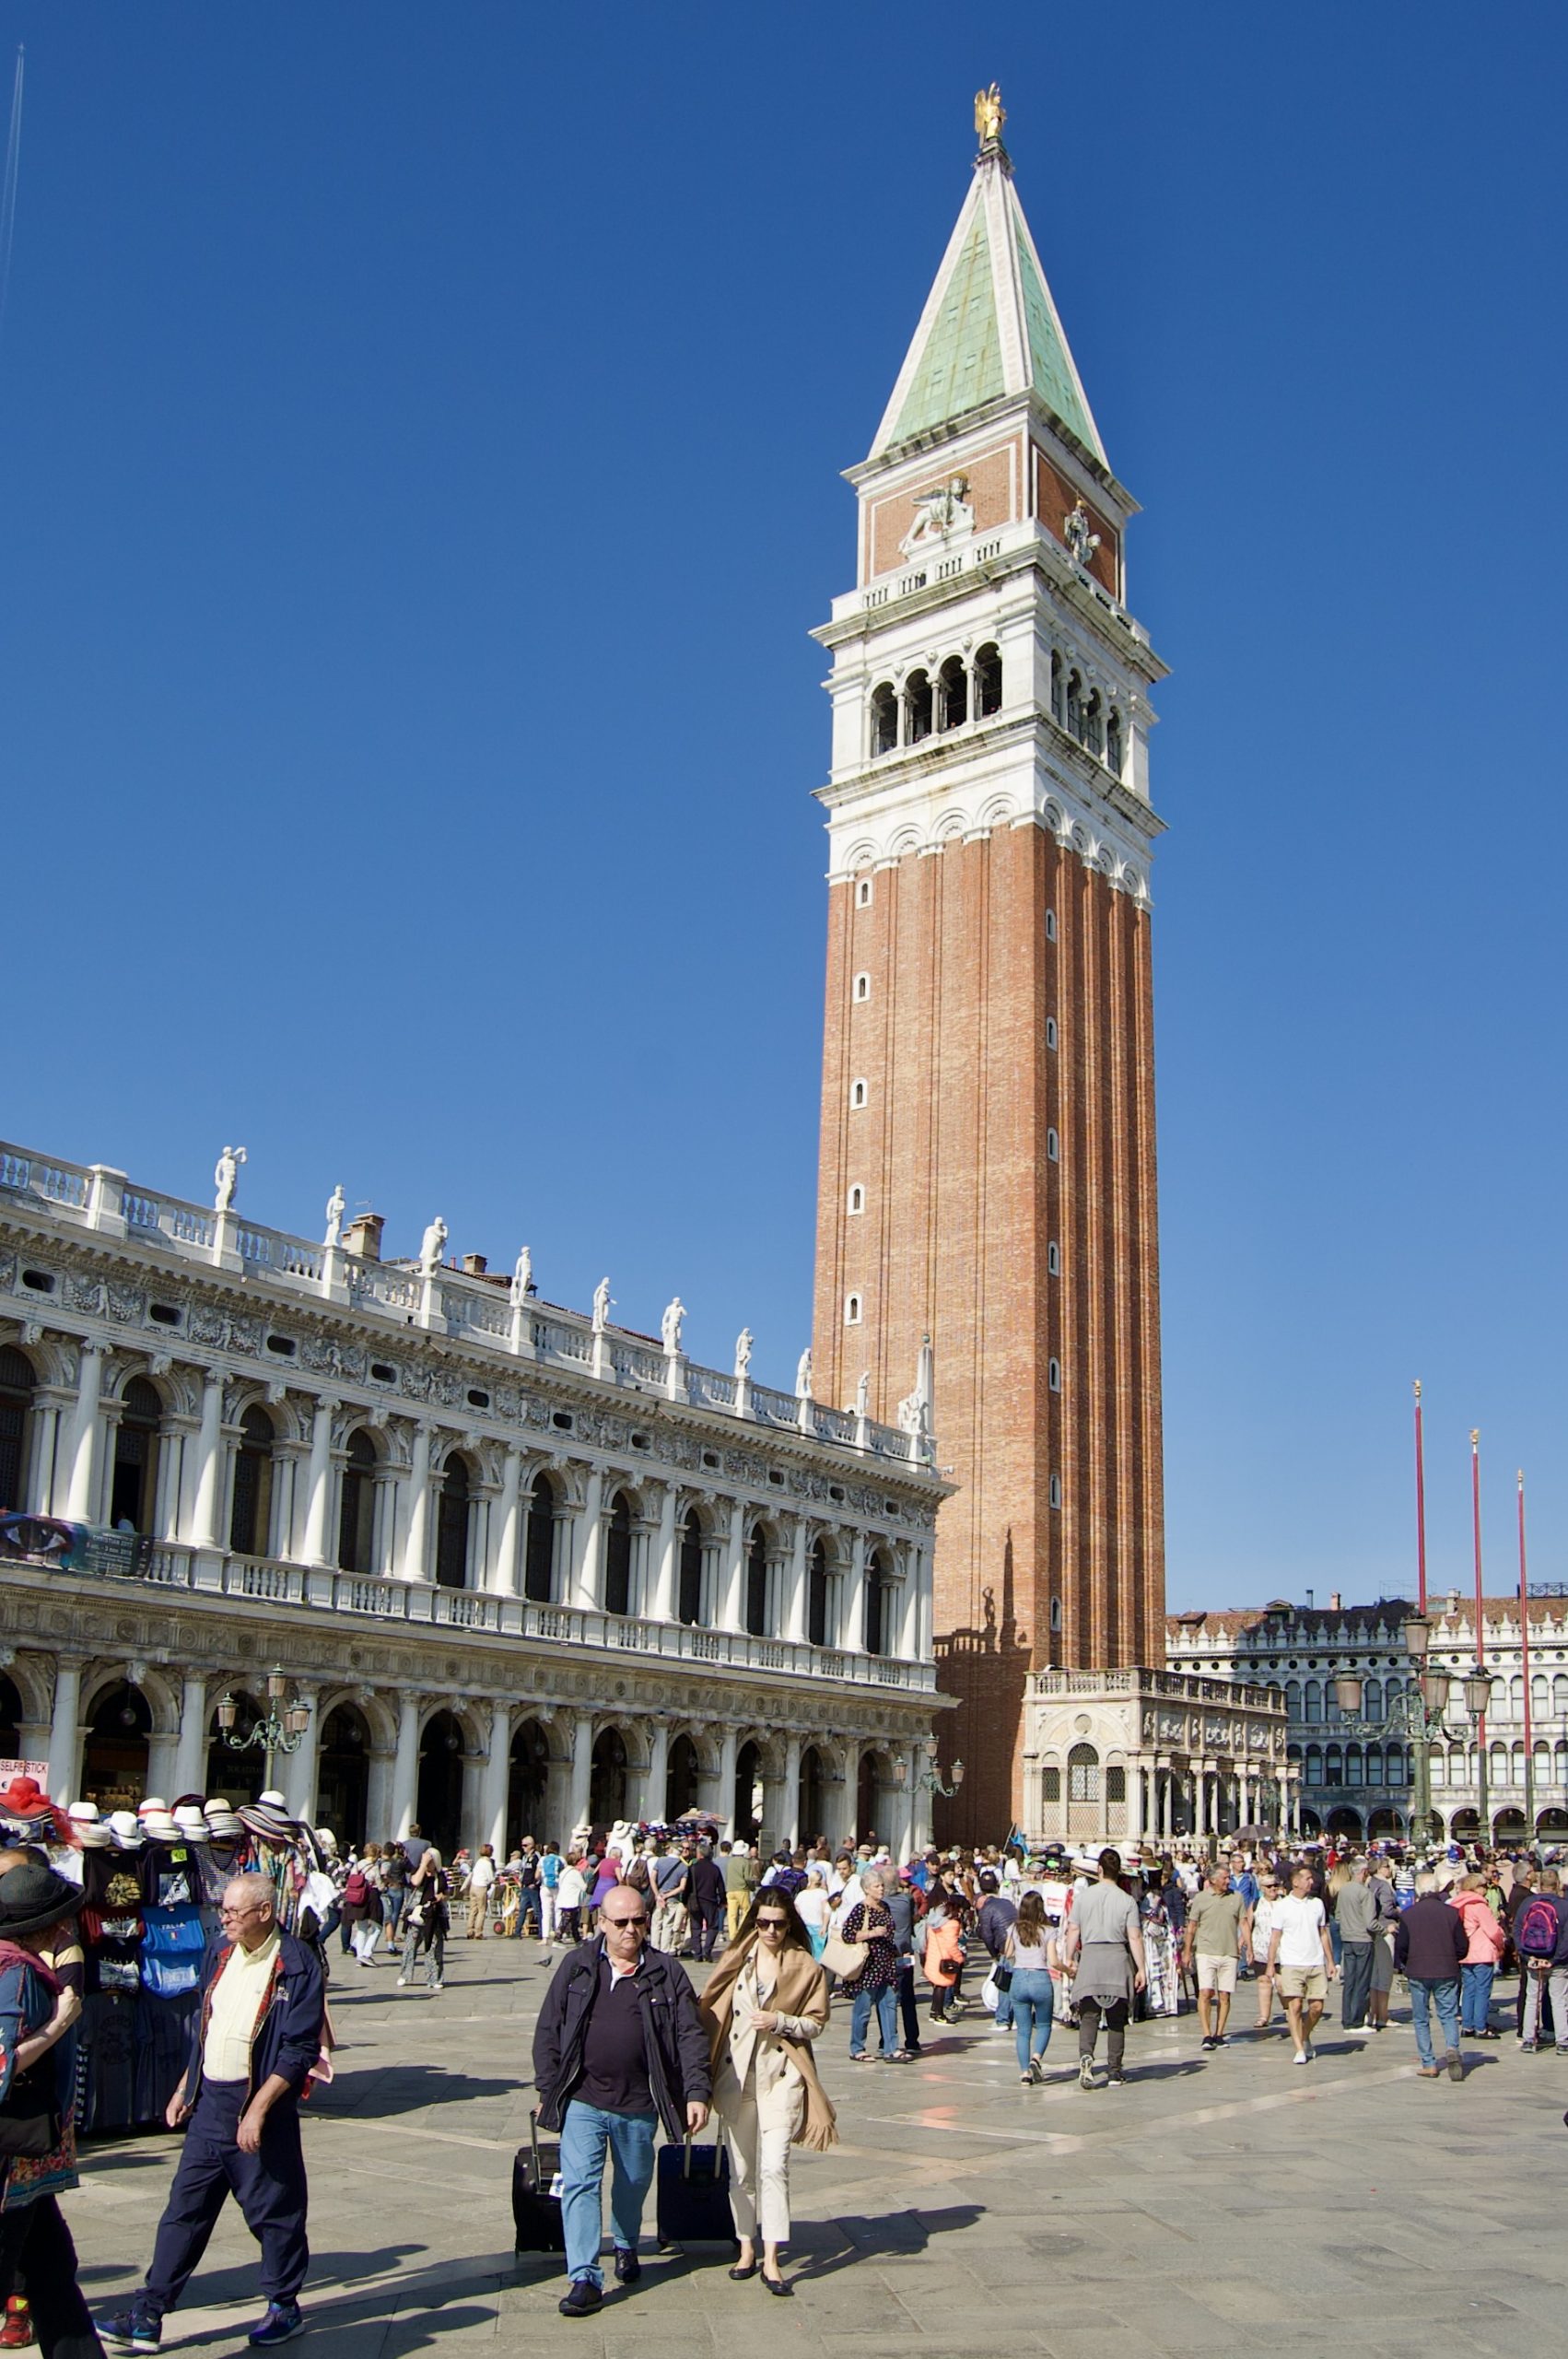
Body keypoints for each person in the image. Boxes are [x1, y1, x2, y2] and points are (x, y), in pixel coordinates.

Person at [101, 1873, 325, 2353]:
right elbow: (208, 2027)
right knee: (183, 2211)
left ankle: (283, 2305)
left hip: (257, 2106)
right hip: (209, 2106)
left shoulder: (296, 1963)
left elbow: (299, 2049)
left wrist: (259, 2110)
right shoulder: (218, 1953)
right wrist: (186, 2085)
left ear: (264, 1912)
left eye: (234, 1912)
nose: (224, 1918)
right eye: (223, 1910)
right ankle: (149, 2312)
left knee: (274, 2212)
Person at [532, 1884, 711, 2318]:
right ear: (602, 1924)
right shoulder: (576, 1966)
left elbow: (690, 2034)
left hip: (640, 2101)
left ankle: (627, 2243)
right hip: (584, 2097)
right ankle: (584, 2278)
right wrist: (547, 2087)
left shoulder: (666, 1971)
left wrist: (696, 2091)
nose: (631, 1930)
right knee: (579, 2184)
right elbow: (549, 2028)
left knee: (632, 2184)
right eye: (622, 1922)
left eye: (639, 1920)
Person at [700, 1888, 837, 2295]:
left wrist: (780, 2020)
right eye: (763, 1923)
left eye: (779, 1923)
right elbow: (709, 2007)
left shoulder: (804, 1965)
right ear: (753, 1922)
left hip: (781, 2076)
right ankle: (746, 2246)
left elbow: (816, 2022)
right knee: (741, 2171)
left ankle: (773, 2257)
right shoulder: (737, 1959)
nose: (771, 1931)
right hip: (736, 2074)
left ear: (789, 1923)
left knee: (775, 2166)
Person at [0, 1865, 101, 2359]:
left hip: (28, 2162)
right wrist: (60, 2023)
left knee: (51, 2269)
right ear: (47, 1926)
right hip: (11, 2159)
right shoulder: (16, 1973)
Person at [1060, 1849, 1146, 2090]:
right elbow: (1135, 1936)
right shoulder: (1127, 1900)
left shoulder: (1083, 1898)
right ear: (1118, 1872)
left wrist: (1069, 1958)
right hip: (1117, 1957)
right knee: (1117, 2020)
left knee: (1089, 2015)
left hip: (1091, 1957)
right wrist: (1141, 1969)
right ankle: (1115, 2071)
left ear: (1098, 1870)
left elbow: (1073, 1930)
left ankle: (1086, 2057)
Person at [1393, 1869, 1467, 2080]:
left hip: (1418, 1970)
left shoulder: (1408, 1914)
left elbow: (1402, 1947)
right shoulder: (1451, 1913)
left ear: (1418, 1890)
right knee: (1448, 2014)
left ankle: (1429, 2063)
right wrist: (1452, 1957)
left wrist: (1408, 1963)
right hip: (1446, 1969)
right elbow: (1462, 1946)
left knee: (1421, 2018)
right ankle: (1452, 2047)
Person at [1266, 1863, 1337, 2065]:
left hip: (1315, 1961)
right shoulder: (1283, 1906)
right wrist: (1271, 1963)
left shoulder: (1317, 1904)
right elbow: (1275, 1937)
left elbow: (1323, 1933)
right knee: (1295, 2005)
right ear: (1296, 1882)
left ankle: (1305, 2035)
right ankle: (1298, 2048)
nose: (1311, 1881)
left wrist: (1330, 1960)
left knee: (1316, 2006)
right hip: (1291, 1962)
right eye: (1307, 1878)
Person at [1184, 1862, 1248, 2051]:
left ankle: (1219, 2033)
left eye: (1229, 1877)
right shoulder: (1201, 1899)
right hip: (1205, 1950)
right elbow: (1192, 1926)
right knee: (1205, 1992)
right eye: (1225, 1878)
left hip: (1229, 1951)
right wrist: (1187, 1951)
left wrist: (1248, 1946)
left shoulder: (1236, 1897)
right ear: (1213, 1880)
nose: (1228, 1881)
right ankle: (1206, 2034)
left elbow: (1243, 1922)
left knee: (1225, 1995)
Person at [841, 1871, 904, 2061]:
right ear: (866, 1889)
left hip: (886, 1965)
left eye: (882, 1885)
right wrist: (871, 1933)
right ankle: (857, 2048)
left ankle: (891, 2048)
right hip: (868, 1968)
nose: (881, 1889)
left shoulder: (885, 1906)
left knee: (889, 2005)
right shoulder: (861, 1909)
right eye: (877, 1886)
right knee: (863, 2009)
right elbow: (847, 1934)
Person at [1003, 1891, 1057, 2083]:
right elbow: (1053, 1961)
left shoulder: (1013, 1929)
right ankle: (1036, 2058)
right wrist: (1068, 1970)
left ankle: (1025, 2072)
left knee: (1023, 2030)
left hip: (1019, 1979)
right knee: (1043, 2025)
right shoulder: (1048, 1931)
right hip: (1041, 1978)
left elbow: (1007, 1953)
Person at [1513, 1866, 1564, 2053]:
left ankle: (1528, 2039)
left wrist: (1527, 1956)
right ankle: (1563, 2041)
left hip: (1533, 1958)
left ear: (1540, 1884)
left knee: (1532, 1998)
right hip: (1557, 1962)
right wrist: (1556, 1959)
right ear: (1557, 1884)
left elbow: (1517, 1930)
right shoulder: (1564, 1905)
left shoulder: (1528, 1903)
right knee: (1559, 2000)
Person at [1451, 1871, 1505, 2040]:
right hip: (1481, 1952)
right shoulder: (1478, 1905)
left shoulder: (1457, 1904)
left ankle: (1467, 2025)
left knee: (1469, 1990)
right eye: (1484, 1886)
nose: (1486, 1889)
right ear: (1476, 1887)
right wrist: (1501, 1944)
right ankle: (1480, 2027)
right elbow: (1493, 1930)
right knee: (1483, 1990)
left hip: (1465, 1953)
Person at [1334, 1859, 1378, 2037]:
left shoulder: (1343, 1890)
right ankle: (1356, 2021)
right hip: (1363, 1939)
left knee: (1350, 1981)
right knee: (1362, 1981)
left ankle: (1347, 2019)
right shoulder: (1365, 1892)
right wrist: (1385, 1930)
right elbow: (1370, 1923)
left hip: (1347, 1938)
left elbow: (1337, 1916)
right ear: (1364, 1872)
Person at [397, 1848, 450, 1992]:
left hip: (434, 1915)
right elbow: (415, 1881)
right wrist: (422, 1865)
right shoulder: (419, 1871)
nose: (428, 1863)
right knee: (410, 1946)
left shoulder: (440, 1875)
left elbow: (446, 1893)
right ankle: (405, 1975)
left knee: (434, 1948)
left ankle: (435, 1978)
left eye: (430, 1861)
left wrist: (441, 1897)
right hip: (416, 1914)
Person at [1249, 1871, 1283, 2033]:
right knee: (1264, 1982)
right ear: (1262, 1888)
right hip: (1261, 1948)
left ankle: (1289, 2010)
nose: (1273, 1889)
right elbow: (1248, 1926)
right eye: (1269, 1886)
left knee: (1282, 1985)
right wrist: (1244, 1945)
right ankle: (1264, 2016)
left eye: (1276, 1885)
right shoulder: (1256, 1904)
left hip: (1283, 1950)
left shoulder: (1285, 1903)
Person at [686, 1846, 727, 1964]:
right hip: (710, 1901)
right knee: (712, 1927)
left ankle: (697, 1953)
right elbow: (721, 1887)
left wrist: (684, 1901)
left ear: (699, 1854)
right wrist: (723, 1901)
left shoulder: (693, 1868)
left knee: (696, 1927)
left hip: (695, 1901)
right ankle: (707, 1951)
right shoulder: (715, 1869)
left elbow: (688, 1887)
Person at [466, 1844, 497, 1941]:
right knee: (481, 1910)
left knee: (473, 1909)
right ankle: (478, 1932)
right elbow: (491, 1878)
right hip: (481, 1887)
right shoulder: (488, 1863)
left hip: (473, 1886)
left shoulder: (479, 1861)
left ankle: (469, 1930)